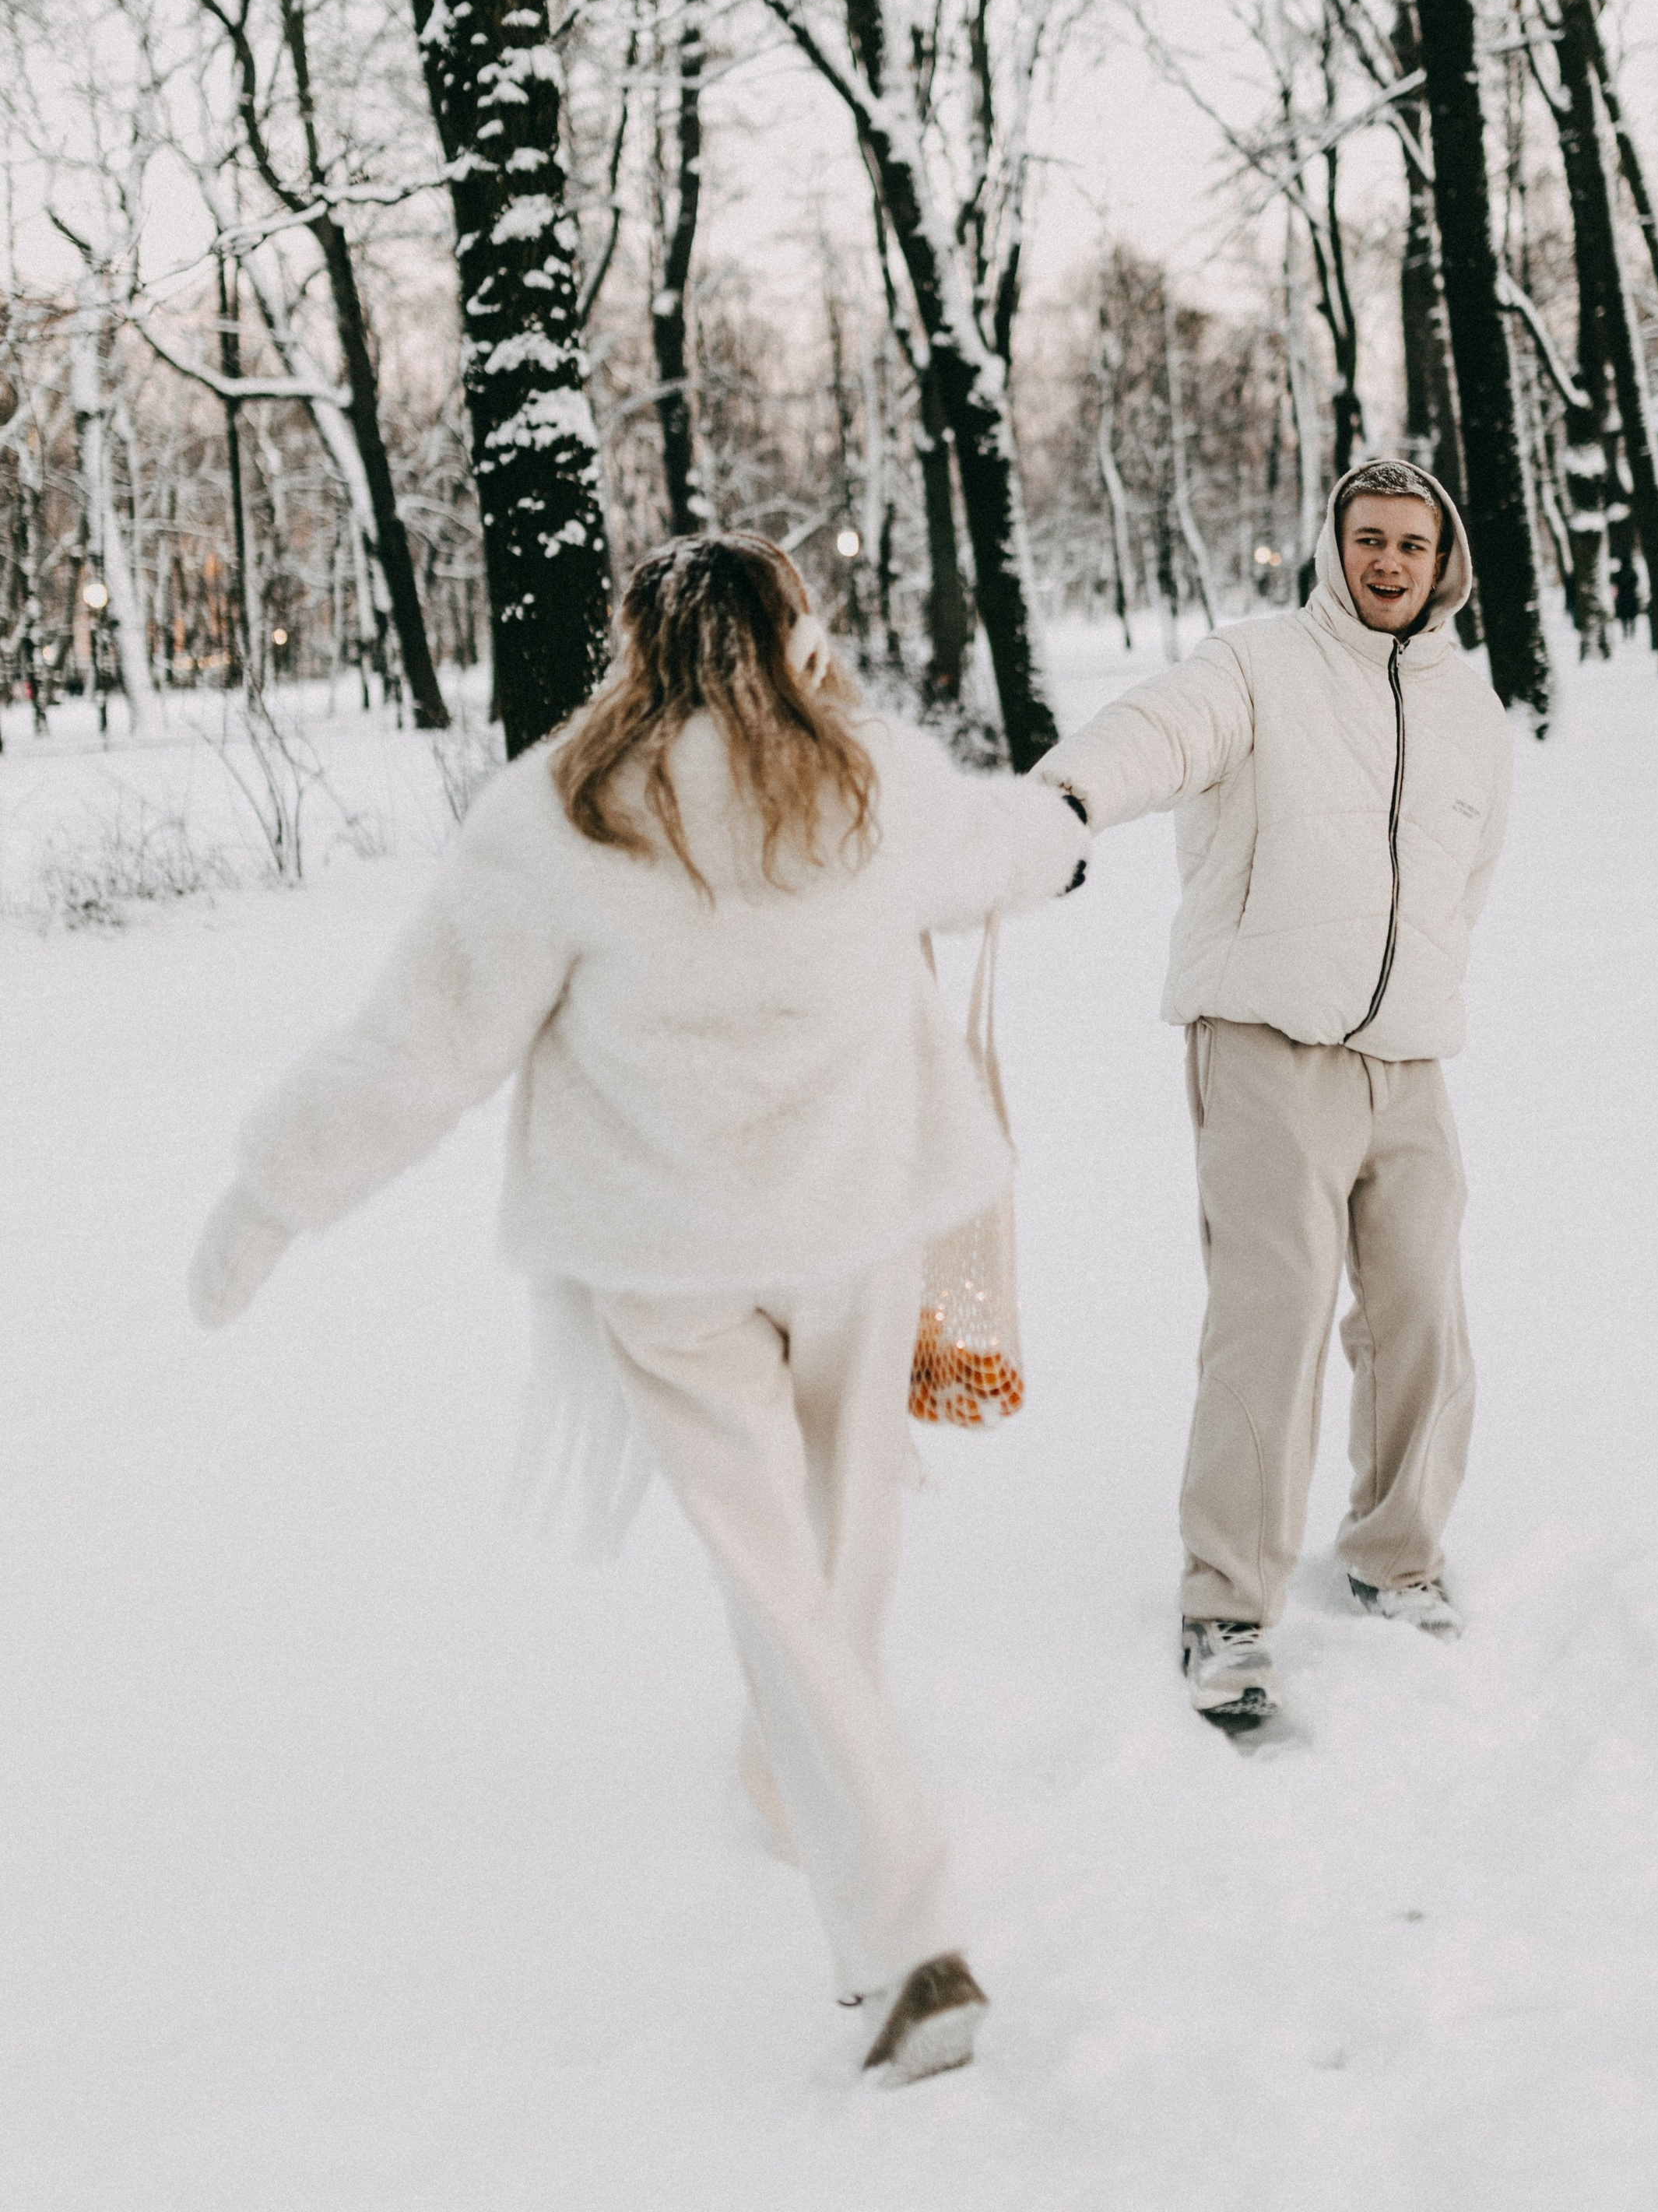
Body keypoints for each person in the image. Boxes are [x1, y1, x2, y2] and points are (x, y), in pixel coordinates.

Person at [188, 534, 1086, 2082]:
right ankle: (859, 1858)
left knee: (770, 1567)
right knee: (844, 1543)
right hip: (855, 1226)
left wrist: (270, 1196)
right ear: (793, 632)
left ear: (635, 643)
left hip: (666, 1266)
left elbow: (418, 1048)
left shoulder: (560, 812)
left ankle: (868, 1886)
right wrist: (1064, 837)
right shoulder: (868, 783)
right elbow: (1004, 845)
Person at [1036, 460, 1512, 1733]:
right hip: (1265, 1040)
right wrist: (1067, 801)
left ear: (1446, 561)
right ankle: (1227, 1602)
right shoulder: (1256, 666)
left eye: (1414, 543)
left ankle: (1396, 1553)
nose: (1391, 562)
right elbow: (1159, 731)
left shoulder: (1473, 712)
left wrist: (1420, 992)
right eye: (1369, 539)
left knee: (1422, 1307)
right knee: (1278, 1308)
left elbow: (1468, 880)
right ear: (1335, 546)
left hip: (1407, 1059)